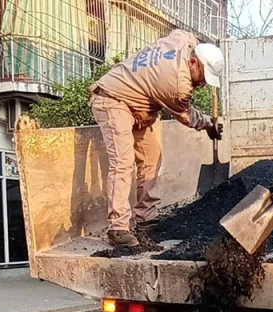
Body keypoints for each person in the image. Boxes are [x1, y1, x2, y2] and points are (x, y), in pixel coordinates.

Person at [89, 30, 225, 247]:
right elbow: (187, 116)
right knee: (123, 163)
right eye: (203, 77)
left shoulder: (184, 40)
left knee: (152, 160)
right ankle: (118, 228)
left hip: (142, 107)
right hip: (113, 100)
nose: (202, 84)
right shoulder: (178, 85)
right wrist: (208, 123)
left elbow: (182, 33)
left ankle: (146, 218)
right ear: (192, 63)